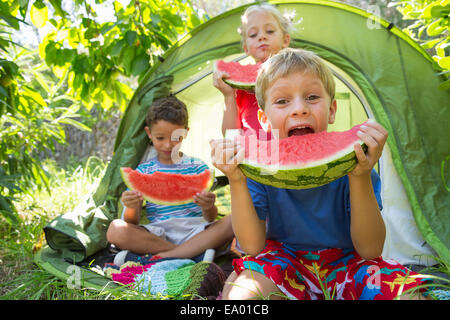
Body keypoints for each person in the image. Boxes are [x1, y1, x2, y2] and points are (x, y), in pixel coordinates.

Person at [210, 48, 430, 300]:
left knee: (407, 296)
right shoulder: (261, 169)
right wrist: (237, 180)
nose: (299, 109)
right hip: (282, 261)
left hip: (349, 264)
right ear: (264, 119)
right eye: (282, 101)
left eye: (312, 97)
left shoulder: (355, 161)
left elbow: (370, 250)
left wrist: (359, 176)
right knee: (243, 298)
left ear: (333, 110)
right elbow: (251, 246)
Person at [107, 96, 233, 262]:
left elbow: (210, 218)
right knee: (116, 229)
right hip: (159, 235)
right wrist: (131, 206)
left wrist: (208, 206)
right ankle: (189, 254)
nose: (168, 145)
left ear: (185, 133)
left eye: (175, 138)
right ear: (149, 134)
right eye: (160, 138)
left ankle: (162, 257)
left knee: (233, 220)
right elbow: (132, 222)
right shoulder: (143, 171)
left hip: (196, 230)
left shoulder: (198, 167)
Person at [213, 4, 291, 138]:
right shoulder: (238, 87)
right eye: (253, 34)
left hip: (288, 153)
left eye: (270, 31)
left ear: (285, 40)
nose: (261, 37)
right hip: (251, 154)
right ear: (246, 48)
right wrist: (228, 96)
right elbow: (230, 136)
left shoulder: (296, 75)